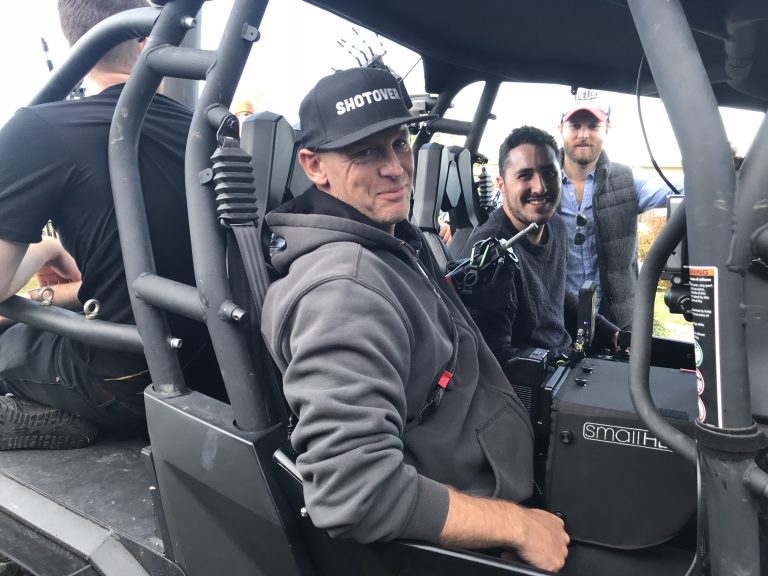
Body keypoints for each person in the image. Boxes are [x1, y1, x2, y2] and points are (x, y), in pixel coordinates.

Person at [261, 66, 569, 573]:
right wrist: (516, 525)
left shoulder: (393, 241)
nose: (395, 168)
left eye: (399, 144)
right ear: (314, 166)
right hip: (464, 539)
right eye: (365, 152)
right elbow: (356, 491)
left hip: (500, 475)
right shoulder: (343, 291)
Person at [0, 0, 223, 450]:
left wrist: (43, 251)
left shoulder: (41, 128)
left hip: (128, 383)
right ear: (147, 43)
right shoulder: (210, 133)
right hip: (224, 375)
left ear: (75, 43)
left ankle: (65, 416)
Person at [461, 126, 620, 369]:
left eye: (549, 174)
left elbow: (556, 298)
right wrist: (555, 368)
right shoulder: (490, 252)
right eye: (525, 176)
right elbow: (493, 359)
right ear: (501, 184)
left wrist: (612, 334)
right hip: (530, 382)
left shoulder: (555, 226)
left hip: (564, 364)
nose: (540, 187)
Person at [559, 99, 683, 329]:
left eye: (593, 126)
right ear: (561, 129)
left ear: (607, 128)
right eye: (575, 126)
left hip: (618, 325)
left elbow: (682, 188)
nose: (583, 134)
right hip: (557, 323)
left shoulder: (627, 180)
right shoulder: (540, 184)